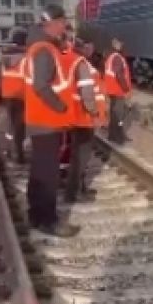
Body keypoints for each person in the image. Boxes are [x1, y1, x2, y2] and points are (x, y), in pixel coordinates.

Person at [21, 5, 80, 238]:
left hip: (39, 120)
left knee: (39, 170)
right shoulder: (45, 50)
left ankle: (36, 215)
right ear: (52, 23)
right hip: (47, 120)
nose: (64, 27)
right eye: (62, 22)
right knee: (48, 173)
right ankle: (48, 220)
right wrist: (61, 106)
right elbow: (41, 86)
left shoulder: (38, 47)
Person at [61, 36, 104, 203]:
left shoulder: (66, 61)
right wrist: (94, 113)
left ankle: (78, 188)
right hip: (83, 118)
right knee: (81, 157)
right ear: (82, 48)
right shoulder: (81, 64)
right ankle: (74, 193)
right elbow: (88, 94)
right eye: (88, 46)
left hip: (71, 116)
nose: (91, 50)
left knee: (75, 155)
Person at [0, 28, 28, 163]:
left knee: (10, 124)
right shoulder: (27, 57)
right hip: (22, 95)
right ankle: (19, 153)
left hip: (8, 95)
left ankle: (9, 150)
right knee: (20, 125)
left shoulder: (5, 57)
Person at [102, 36, 133, 144]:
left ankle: (112, 135)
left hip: (112, 90)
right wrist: (126, 89)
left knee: (114, 113)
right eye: (120, 43)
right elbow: (119, 75)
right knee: (119, 115)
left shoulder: (110, 56)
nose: (122, 45)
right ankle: (119, 137)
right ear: (116, 45)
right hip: (118, 90)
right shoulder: (117, 58)